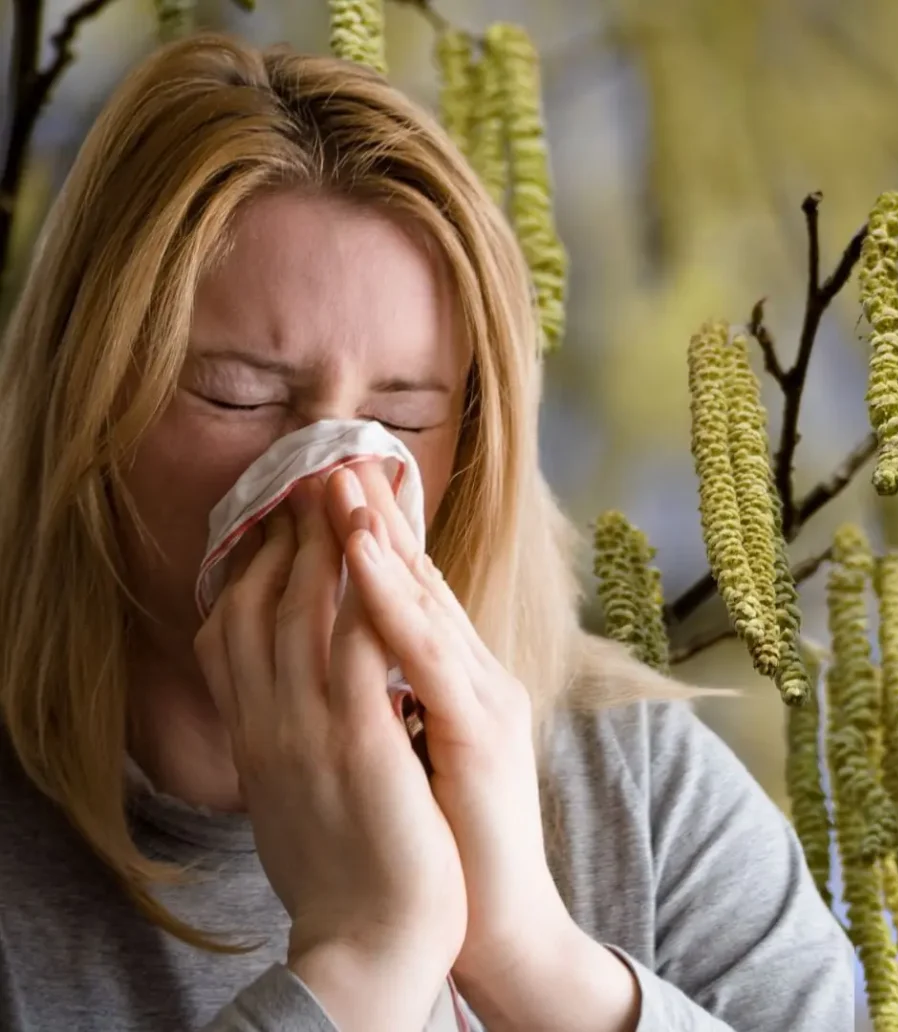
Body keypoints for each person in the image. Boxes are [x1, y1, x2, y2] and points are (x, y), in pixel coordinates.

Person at [0, 32, 854, 1032]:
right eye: (237, 396)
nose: (340, 488)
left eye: (402, 421)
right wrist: (366, 956)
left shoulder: (641, 795)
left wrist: (530, 959)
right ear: (89, 411)